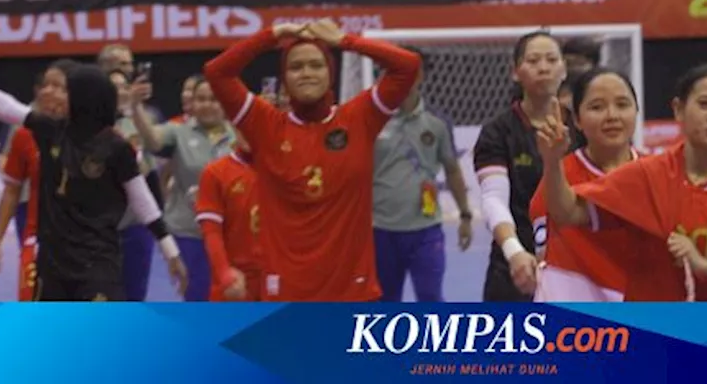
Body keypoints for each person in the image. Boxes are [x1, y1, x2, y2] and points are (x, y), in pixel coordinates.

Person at [0, 32, 187, 301]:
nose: (54, 94)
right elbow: (4, 106)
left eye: (67, 90)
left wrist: (170, 250)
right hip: (53, 264)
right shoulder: (50, 131)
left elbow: (143, 202)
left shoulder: (117, 147)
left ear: (86, 98)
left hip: (97, 264)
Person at [203, 19, 420, 301]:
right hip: (286, 295)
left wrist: (346, 41)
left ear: (331, 74)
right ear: (284, 79)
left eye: (316, 65)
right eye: (295, 67)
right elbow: (217, 72)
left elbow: (408, 66)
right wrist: (273, 36)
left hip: (353, 293)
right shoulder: (265, 125)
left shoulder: (358, 119)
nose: (306, 73)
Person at [539, 65, 707, 301]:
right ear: (678, 109)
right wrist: (552, 160)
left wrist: (704, 266)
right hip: (650, 331)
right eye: (704, 104)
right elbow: (567, 212)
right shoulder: (645, 175)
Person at [474, 30, 576, 301]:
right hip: (517, 266)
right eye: (533, 61)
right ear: (515, 72)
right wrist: (514, 252)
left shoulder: (582, 126)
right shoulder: (498, 132)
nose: (543, 67)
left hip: (575, 265)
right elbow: (494, 200)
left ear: (564, 69)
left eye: (551, 60)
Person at [372, 48, 474, 302]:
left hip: (425, 230)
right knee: (384, 302)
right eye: (394, 70)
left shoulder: (437, 123)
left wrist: (465, 215)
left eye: (410, 70)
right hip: (379, 230)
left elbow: (452, 169)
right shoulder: (370, 118)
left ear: (421, 76)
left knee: (430, 299)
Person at [529, 69, 640, 302]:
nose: (612, 116)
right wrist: (552, 160)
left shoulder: (656, 174)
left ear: (636, 111)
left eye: (622, 105)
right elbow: (542, 255)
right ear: (577, 120)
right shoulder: (558, 176)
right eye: (597, 107)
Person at [130, 78, 237, 301]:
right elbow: (152, 140)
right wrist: (136, 108)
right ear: (192, 103)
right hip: (189, 232)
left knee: (231, 299)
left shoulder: (239, 135)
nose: (207, 104)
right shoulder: (178, 132)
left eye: (214, 99)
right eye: (201, 99)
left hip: (232, 233)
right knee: (196, 296)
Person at [0, 61, 76, 301]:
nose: (46, 91)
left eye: (57, 86)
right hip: (39, 238)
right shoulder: (24, 134)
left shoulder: (96, 135)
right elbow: (11, 191)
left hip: (84, 244)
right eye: (45, 85)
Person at [194, 134, 263, 301]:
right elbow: (211, 232)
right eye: (244, 125)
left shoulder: (289, 169)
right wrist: (224, 272)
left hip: (280, 279)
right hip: (236, 281)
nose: (250, 131)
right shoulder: (215, 173)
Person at [110, 70, 158, 302]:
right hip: (100, 229)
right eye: (112, 86)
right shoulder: (88, 123)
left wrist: (130, 160)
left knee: (135, 296)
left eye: (123, 86)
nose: (119, 91)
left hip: (135, 224)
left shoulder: (141, 121)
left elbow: (150, 168)